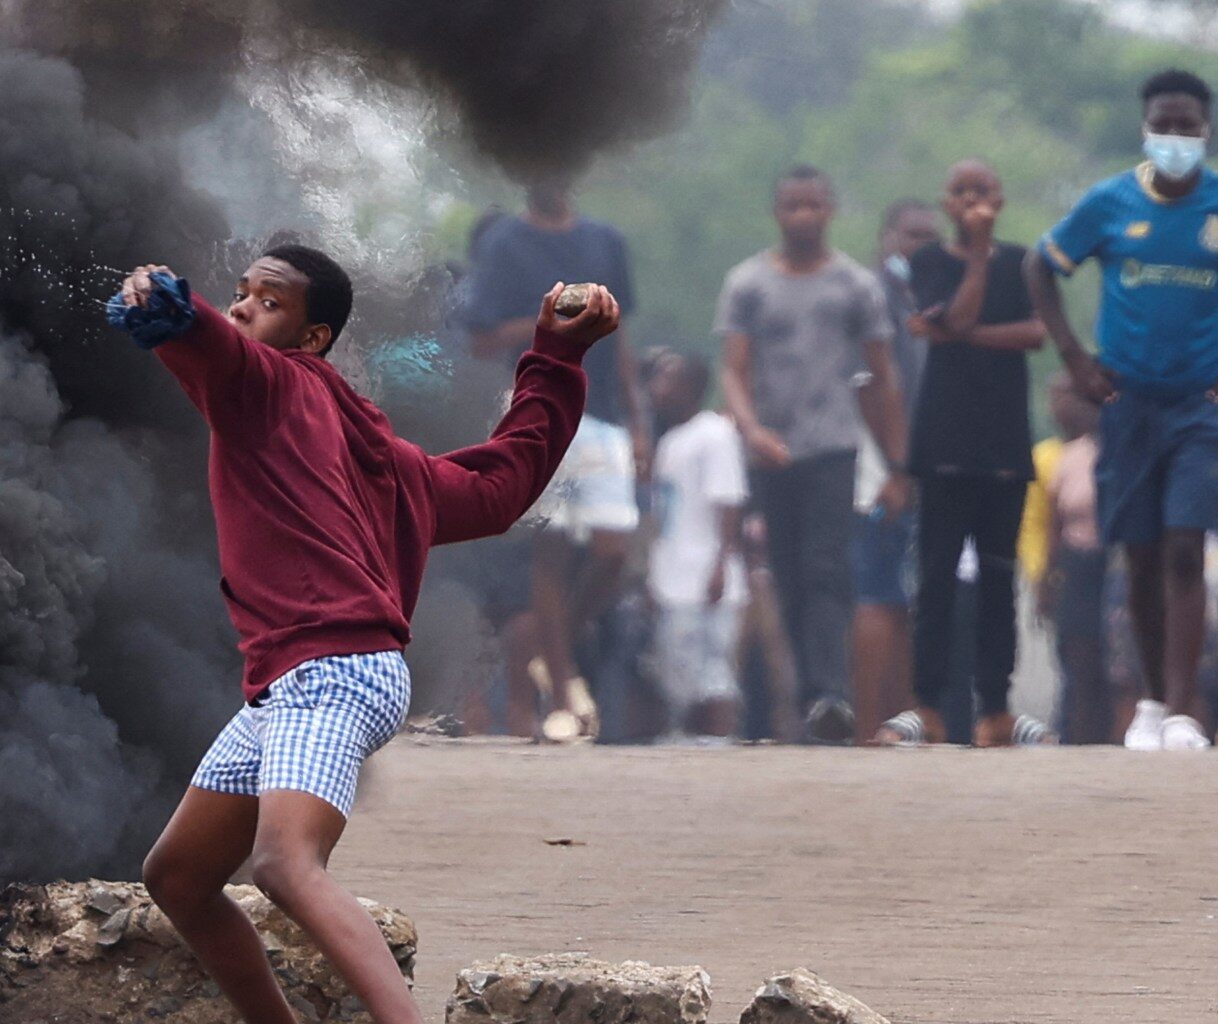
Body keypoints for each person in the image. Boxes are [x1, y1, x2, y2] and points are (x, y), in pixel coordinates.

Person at [114, 245, 620, 1024]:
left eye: (270, 301)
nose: (245, 307)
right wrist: (556, 358)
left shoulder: (265, 382)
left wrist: (173, 311)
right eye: (239, 293)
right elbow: (499, 487)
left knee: (285, 864)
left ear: (311, 339)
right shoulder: (381, 454)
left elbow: (212, 347)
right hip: (294, 682)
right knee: (178, 874)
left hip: (333, 670)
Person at [1024, 68, 1218, 750]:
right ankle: (1147, 701)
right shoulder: (1110, 203)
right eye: (1163, 125)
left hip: (1201, 407)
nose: (1175, 137)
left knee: (1184, 546)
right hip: (1129, 404)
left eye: (1188, 126)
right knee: (1140, 554)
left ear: (1208, 130)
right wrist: (1075, 359)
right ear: (1147, 129)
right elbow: (1041, 266)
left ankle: (1182, 707)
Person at [716, 165, 912, 743]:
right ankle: (809, 697)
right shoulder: (748, 283)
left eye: (813, 205)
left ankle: (832, 693)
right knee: (791, 574)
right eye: (792, 206)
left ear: (830, 210)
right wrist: (751, 429)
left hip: (833, 444)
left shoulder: (855, 285)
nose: (803, 215)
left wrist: (896, 465)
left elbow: (884, 377)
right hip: (772, 451)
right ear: (778, 212)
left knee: (828, 567)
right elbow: (734, 368)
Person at [459, 178, 648, 738]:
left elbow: (625, 335)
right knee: (551, 548)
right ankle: (563, 693)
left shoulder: (605, 241)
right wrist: (550, 321)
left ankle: (550, 642)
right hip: (535, 402)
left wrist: (639, 422)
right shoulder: (504, 245)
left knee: (614, 547)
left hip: (603, 410)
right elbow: (479, 339)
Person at [876, 159, 1051, 746]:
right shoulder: (927, 262)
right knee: (936, 577)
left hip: (1003, 442)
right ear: (947, 203)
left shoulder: (1024, 262)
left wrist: (959, 334)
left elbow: (1036, 333)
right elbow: (954, 312)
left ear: (999, 199)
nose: (973, 200)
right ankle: (927, 706)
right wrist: (976, 258)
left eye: (984, 191)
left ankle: (996, 709)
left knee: (1000, 581)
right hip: (943, 441)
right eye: (962, 192)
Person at [853, 198, 941, 740]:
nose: (920, 247)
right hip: (879, 467)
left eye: (930, 236)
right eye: (911, 235)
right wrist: (896, 467)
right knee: (879, 592)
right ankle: (868, 726)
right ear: (887, 237)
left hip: (919, 465)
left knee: (912, 598)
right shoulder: (872, 294)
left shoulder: (929, 298)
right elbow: (869, 388)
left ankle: (907, 720)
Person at [646, 351, 748, 740]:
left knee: (714, 670)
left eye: (666, 379)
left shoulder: (715, 434)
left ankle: (718, 743)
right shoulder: (671, 439)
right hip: (674, 576)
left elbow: (728, 500)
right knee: (677, 671)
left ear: (690, 387)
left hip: (707, 576)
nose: (656, 388)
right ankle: (685, 743)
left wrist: (722, 563)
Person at [1035, 374, 1114, 744]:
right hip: (1077, 565)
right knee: (1079, 660)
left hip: (1116, 567)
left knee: (1115, 667)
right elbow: (1054, 524)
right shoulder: (1070, 458)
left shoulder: (1124, 450)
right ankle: (1078, 743)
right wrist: (1046, 582)